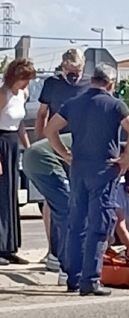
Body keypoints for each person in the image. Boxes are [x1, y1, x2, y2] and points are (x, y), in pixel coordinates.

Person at [45, 64, 129, 296]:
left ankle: (73, 278)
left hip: (78, 169)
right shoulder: (115, 105)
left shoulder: (74, 103)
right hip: (104, 170)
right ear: (110, 83)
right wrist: (125, 160)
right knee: (99, 225)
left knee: (76, 223)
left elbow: (50, 130)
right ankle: (91, 280)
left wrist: (65, 155)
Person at [34, 48, 89, 270]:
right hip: (55, 147)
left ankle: (75, 249)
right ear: (62, 67)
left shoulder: (90, 84)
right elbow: (41, 114)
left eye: (77, 71)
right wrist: (40, 142)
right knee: (53, 197)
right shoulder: (52, 84)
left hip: (81, 148)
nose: (73, 75)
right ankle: (52, 249)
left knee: (79, 197)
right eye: (69, 71)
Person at [22, 134, 72, 282]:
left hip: (31, 157)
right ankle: (67, 268)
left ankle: (55, 257)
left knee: (59, 210)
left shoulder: (80, 134)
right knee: (68, 213)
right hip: (43, 160)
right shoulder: (96, 144)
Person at [0, 58, 35, 265]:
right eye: (24, 79)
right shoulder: (2, 94)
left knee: (11, 195)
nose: (26, 83)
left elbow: (20, 124)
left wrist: (29, 148)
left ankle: (9, 246)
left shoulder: (23, 94)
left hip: (13, 144)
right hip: (1, 142)